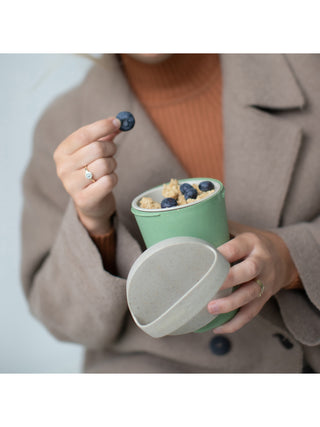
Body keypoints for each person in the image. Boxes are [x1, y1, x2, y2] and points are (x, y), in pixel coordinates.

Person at [21, 54, 320, 373]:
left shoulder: (308, 70)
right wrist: (94, 224)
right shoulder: (61, 127)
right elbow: (65, 322)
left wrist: (292, 258)